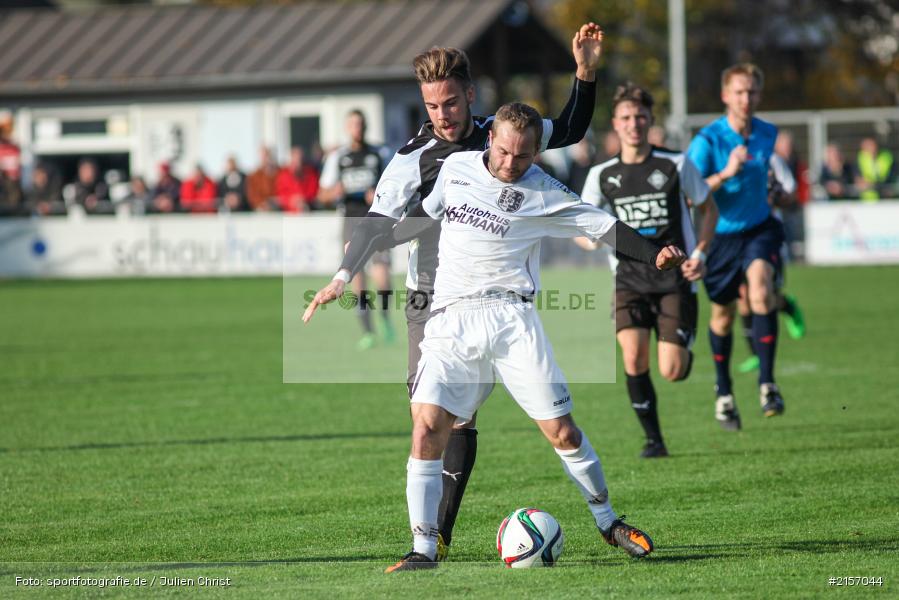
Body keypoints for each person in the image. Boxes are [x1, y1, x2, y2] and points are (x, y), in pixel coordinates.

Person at [320, 103, 682, 571]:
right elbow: (423, 218)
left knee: (562, 431)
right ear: (491, 140)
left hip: (513, 321)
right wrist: (357, 261)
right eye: (506, 151)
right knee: (428, 425)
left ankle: (608, 521)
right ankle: (424, 549)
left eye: (524, 156)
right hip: (450, 320)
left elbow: (603, 225)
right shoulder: (456, 167)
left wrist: (655, 256)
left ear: (536, 154)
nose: (512, 163)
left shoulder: (544, 191)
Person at [303, 23, 604, 561]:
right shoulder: (411, 157)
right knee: (431, 420)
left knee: (455, 420)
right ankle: (433, 537)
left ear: (469, 94)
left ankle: (435, 537)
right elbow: (375, 223)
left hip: (497, 299)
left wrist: (583, 71)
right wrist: (343, 276)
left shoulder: (503, 133)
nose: (441, 114)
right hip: (429, 297)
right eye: (430, 104)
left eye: (449, 101)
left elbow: (574, 128)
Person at [579, 83, 716, 458]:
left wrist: (700, 253)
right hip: (628, 280)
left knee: (672, 370)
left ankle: (683, 342)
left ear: (650, 121)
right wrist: (586, 238)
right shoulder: (602, 175)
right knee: (633, 358)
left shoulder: (676, 163)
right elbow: (583, 224)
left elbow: (708, 208)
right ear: (615, 124)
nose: (633, 124)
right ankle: (654, 440)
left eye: (640, 117)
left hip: (674, 280)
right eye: (626, 117)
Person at [686, 63, 787, 430]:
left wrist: (775, 191)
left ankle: (767, 384)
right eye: (740, 92)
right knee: (723, 316)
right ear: (726, 96)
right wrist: (725, 174)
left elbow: (765, 178)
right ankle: (724, 392)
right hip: (719, 236)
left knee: (761, 292)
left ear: (759, 95)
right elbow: (689, 195)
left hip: (760, 228)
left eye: (752, 92)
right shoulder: (708, 141)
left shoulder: (767, 133)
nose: (746, 99)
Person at [318, 110, 394, 349]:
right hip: (351, 220)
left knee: (382, 274)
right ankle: (368, 331)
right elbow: (322, 194)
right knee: (356, 276)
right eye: (352, 124)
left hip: (377, 219)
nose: (357, 128)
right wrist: (335, 191)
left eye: (360, 124)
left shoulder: (379, 153)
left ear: (366, 126)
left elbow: (395, 186)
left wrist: (379, 195)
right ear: (346, 128)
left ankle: (384, 318)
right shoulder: (337, 158)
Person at [276, 146, 318, 213]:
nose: (298, 162)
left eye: (299, 159)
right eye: (295, 158)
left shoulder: (310, 173)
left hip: (307, 208)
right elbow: (281, 194)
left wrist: (302, 199)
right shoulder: (283, 175)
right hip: (288, 212)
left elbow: (313, 191)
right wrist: (292, 200)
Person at [854, 137, 896, 202]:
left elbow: (891, 177)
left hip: (886, 197)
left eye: (873, 145)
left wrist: (872, 184)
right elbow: (858, 179)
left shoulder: (887, 156)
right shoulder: (860, 159)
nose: (871, 148)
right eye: (868, 147)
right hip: (867, 199)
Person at [247, 146, 280, 211]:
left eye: (268, 155)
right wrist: (261, 204)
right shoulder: (254, 176)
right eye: (264, 156)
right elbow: (252, 195)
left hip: (277, 207)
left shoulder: (280, 173)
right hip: (261, 208)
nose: (266, 159)